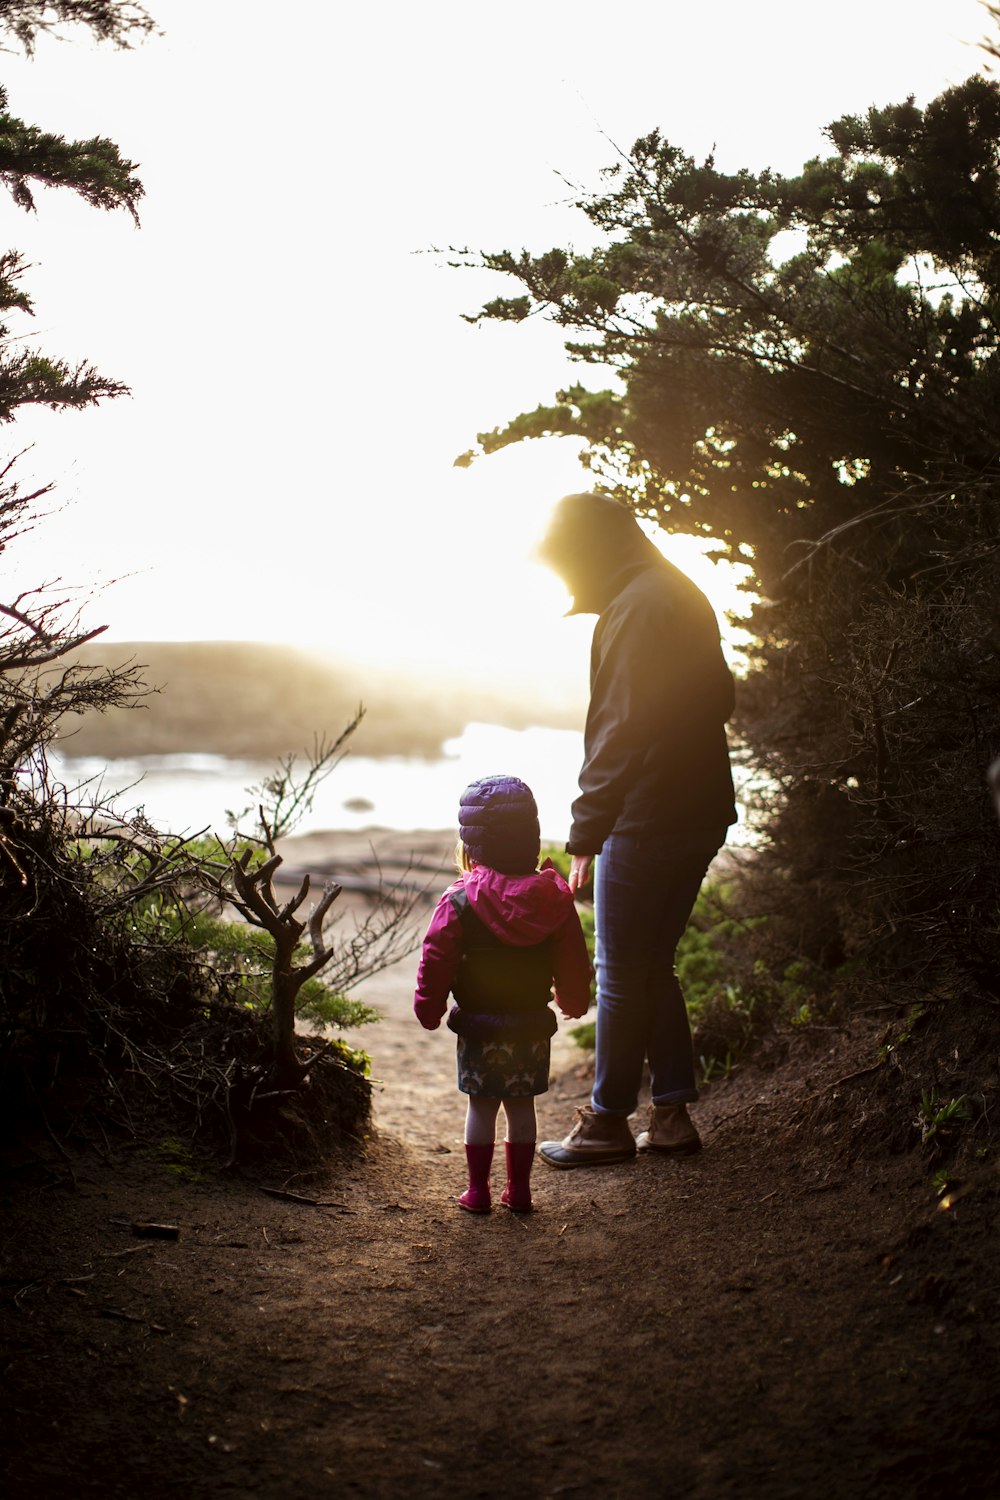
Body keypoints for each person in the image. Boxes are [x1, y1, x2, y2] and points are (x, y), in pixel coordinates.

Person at [535, 492, 737, 1167]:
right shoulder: (676, 592)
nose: (564, 579)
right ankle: (672, 1116)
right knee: (652, 963)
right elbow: (724, 697)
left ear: (593, 549)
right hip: (701, 810)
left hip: (648, 817)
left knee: (620, 970)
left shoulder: (637, 606)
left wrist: (586, 830)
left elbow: (619, 731)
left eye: (565, 563)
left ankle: (607, 1122)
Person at [414, 775, 591, 1213]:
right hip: (530, 1023)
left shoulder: (458, 900)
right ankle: (520, 1190)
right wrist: (572, 1001)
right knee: (521, 1106)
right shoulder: (554, 900)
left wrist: (429, 1008)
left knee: (481, 1108)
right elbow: (573, 960)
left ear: (471, 845)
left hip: (478, 1025)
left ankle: (478, 1192)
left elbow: (436, 958)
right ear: (529, 839)